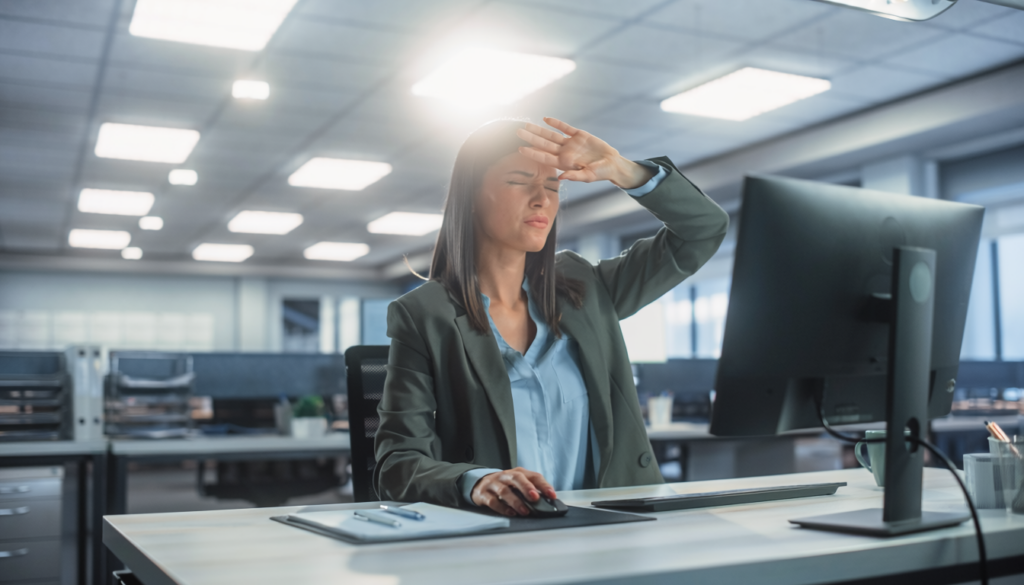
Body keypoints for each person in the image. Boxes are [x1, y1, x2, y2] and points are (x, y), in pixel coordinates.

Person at [374, 117, 729, 517]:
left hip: (615, 528)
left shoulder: (585, 289)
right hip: (505, 539)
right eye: (519, 180)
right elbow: (398, 464)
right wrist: (476, 482)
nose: (542, 198)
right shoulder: (424, 315)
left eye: (553, 186)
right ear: (471, 195)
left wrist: (622, 169)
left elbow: (704, 229)